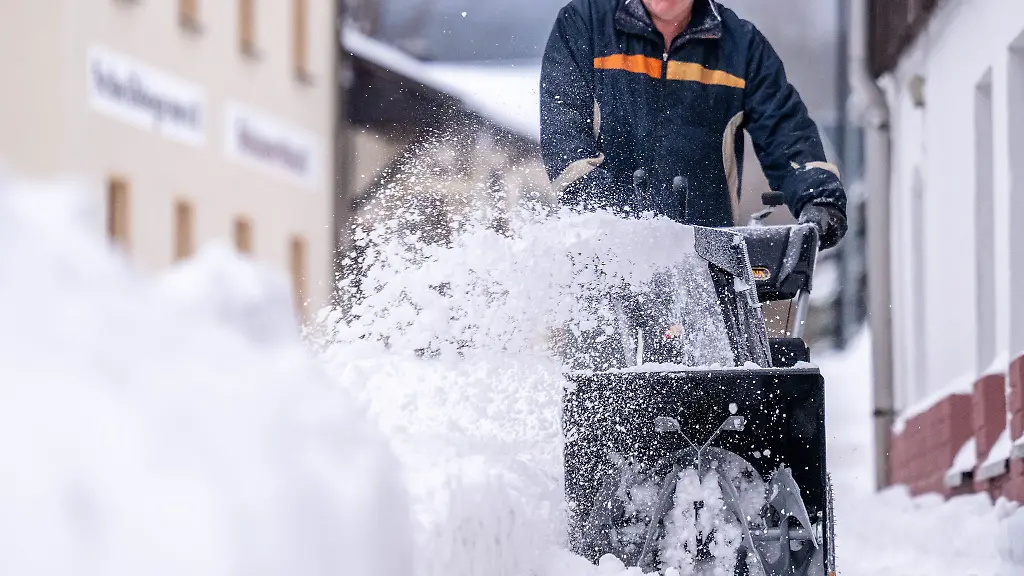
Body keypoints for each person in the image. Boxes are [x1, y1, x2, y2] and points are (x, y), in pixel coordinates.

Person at [540, 0, 847, 250]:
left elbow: (785, 129)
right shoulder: (584, 25)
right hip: (606, 263)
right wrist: (617, 219)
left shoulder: (741, 48)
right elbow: (565, 137)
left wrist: (817, 196)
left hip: (706, 267)